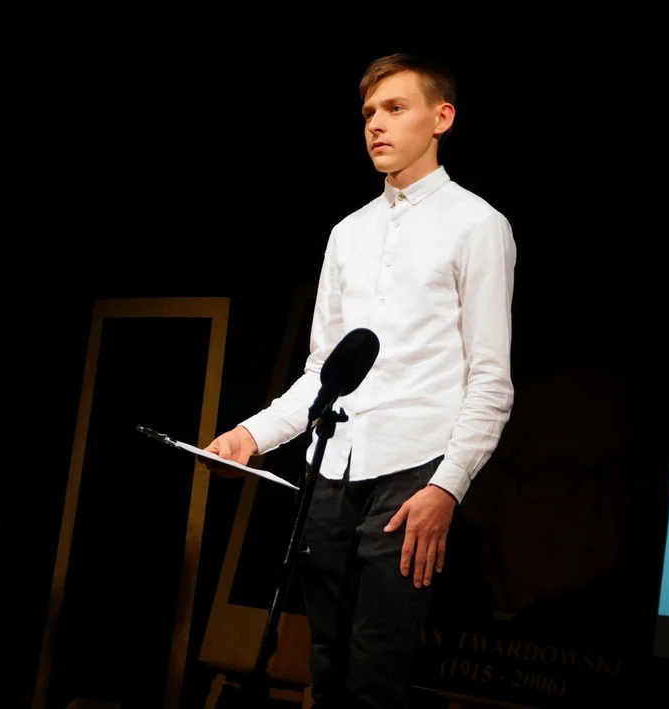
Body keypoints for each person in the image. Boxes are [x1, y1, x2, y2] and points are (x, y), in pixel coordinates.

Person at [206, 52, 516, 708]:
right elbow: (321, 374)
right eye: (369, 111)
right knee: (325, 660)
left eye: (395, 108)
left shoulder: (478, 225)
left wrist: (447, 487)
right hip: (333, 467)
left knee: (377, 669)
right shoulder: (347, 233)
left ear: (442, 117)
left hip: (413, 471)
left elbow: (491, 381)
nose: (376, 123)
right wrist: (249, 436)